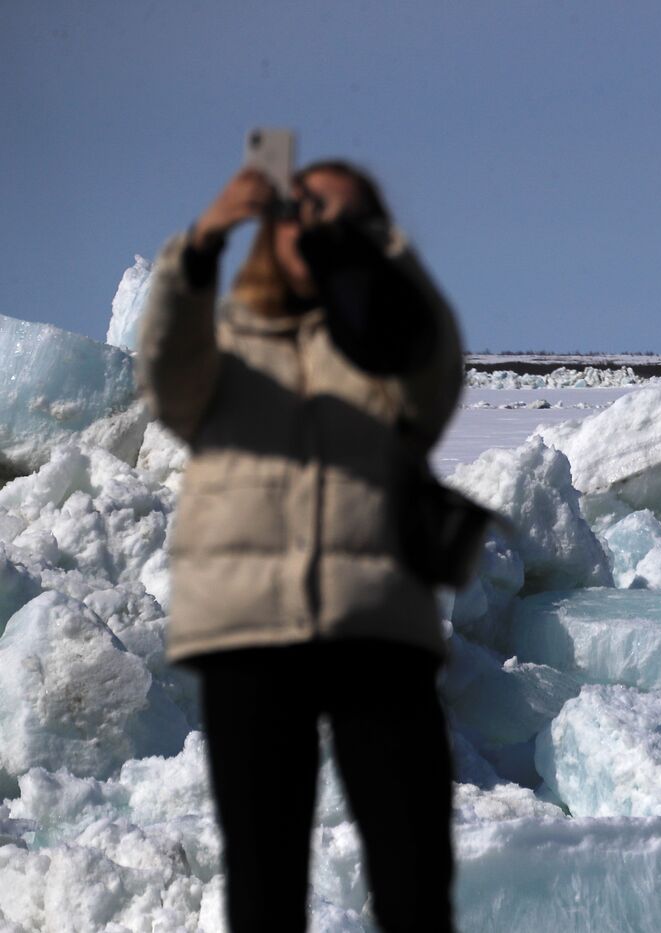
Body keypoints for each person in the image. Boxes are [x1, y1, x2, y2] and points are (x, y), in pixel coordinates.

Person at [138, 161, 463, 932]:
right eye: (299, 209)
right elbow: (164, 376)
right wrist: (204, 241)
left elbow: (434, 376)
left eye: (342, 216)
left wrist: (382, 254)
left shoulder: (383, 346)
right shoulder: (221, 348)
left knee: (414, 874)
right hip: (246, 631)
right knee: (264, 884)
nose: (314, 225)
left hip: (378, 624)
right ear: (264, 227)